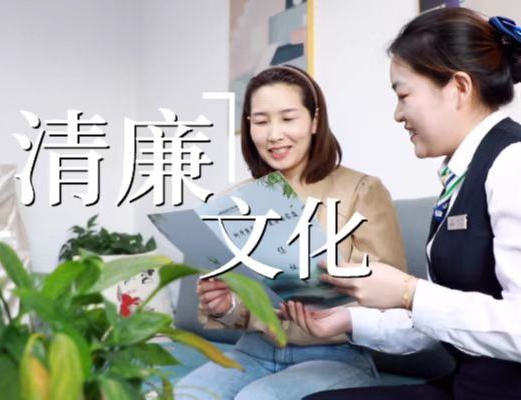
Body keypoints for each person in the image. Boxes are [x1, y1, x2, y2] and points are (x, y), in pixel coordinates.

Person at [284, 8, 521, 400]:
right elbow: (441, 321)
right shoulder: (463, 175)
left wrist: (409, 292)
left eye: (403, 95)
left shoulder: (512, 164)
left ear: (459, 87)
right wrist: (347, 320)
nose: (398, 115)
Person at [173, 64, 407, 400]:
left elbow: (394, 298)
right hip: (252, 350)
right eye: (261, 121)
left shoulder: (362, 190)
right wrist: (225, 306)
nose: (274, 135)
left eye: (287, 118)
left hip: (334, 355)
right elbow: (228, 310)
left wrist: (332, 309)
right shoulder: (232, 203)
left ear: (314, 121)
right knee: (185, 395)